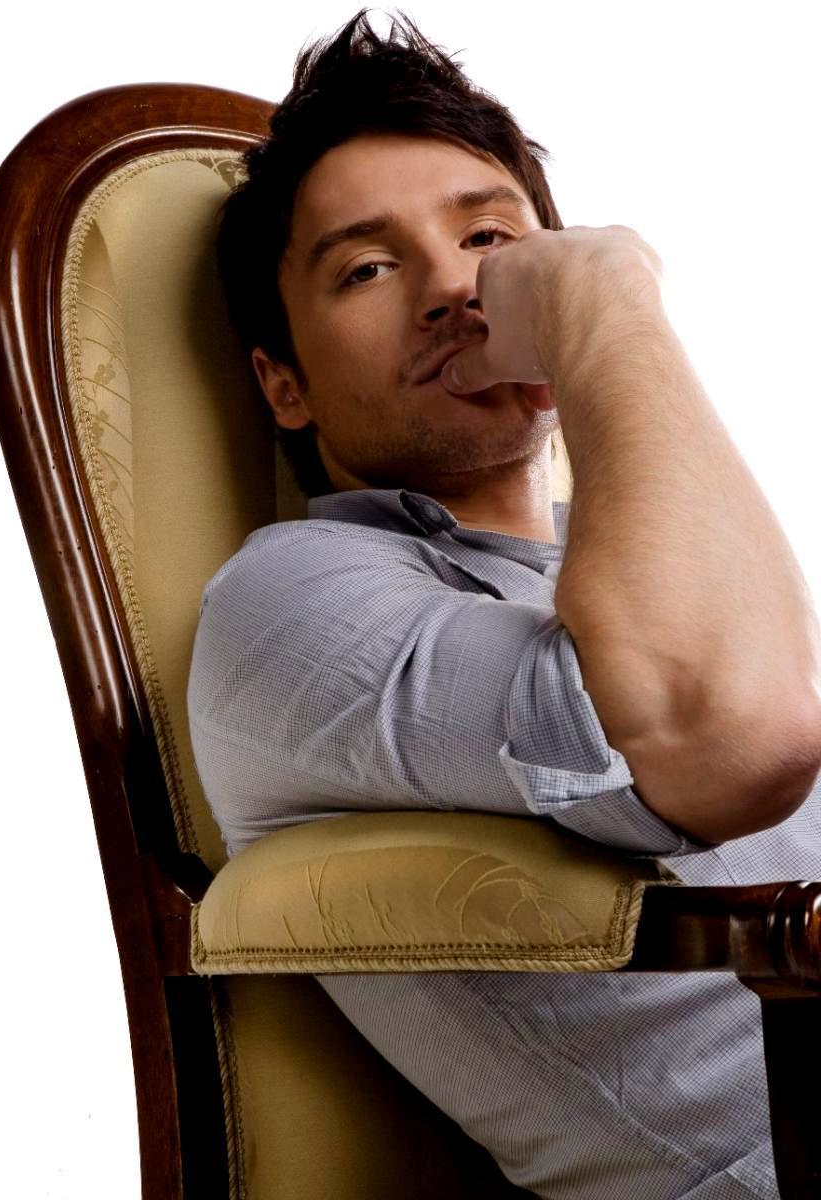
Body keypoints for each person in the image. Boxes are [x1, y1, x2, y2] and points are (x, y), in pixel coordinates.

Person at [187, 9, 821, 1199]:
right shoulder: (284, 599)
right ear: (282, 385)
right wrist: (610, 297)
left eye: (488, 237)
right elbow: (729, 733)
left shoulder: (640, 558)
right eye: (367, 269)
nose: (452, 289)